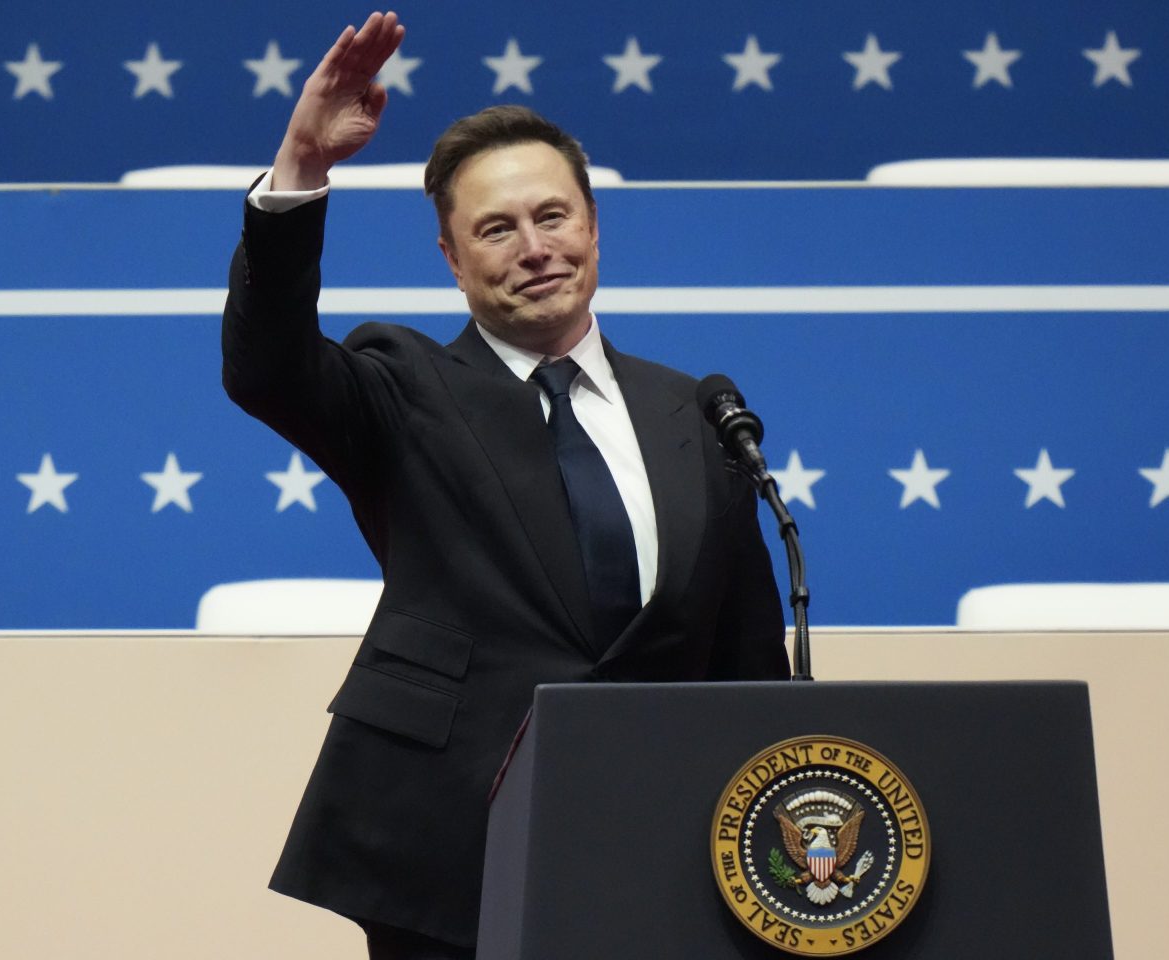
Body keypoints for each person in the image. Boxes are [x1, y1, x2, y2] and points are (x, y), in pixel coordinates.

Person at [221, 12, 789, 959]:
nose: (534, 248)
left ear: (593, 228)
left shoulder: (697, 412)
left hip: (670, 848)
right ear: (452, 261)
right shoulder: (402, 385)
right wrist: (302, 168)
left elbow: (747, 657)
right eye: (496, 229)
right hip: (448, 852)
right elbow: (267, 367)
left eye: (552, 216)